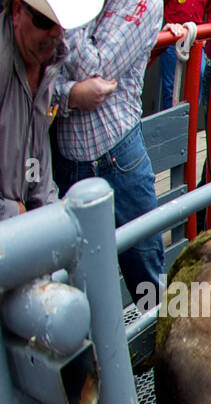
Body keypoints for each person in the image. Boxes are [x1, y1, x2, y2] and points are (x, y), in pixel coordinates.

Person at [53, 0, 166, 310]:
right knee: (77, 285)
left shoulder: (142, 2)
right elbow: (36, 82)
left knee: (147, 278)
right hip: (65, 163)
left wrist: (64, 13)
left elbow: (94, 68)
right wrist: (71, 94)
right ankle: (100, 358)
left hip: (118, 157)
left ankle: (159, 354)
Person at [0, 0, 98, 224]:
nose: (56, 32)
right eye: (45, 20)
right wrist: (18, 213)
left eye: (61, 22)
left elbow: (33, 161)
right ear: (17, 11)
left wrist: (46, 210)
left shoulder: (45, 58)